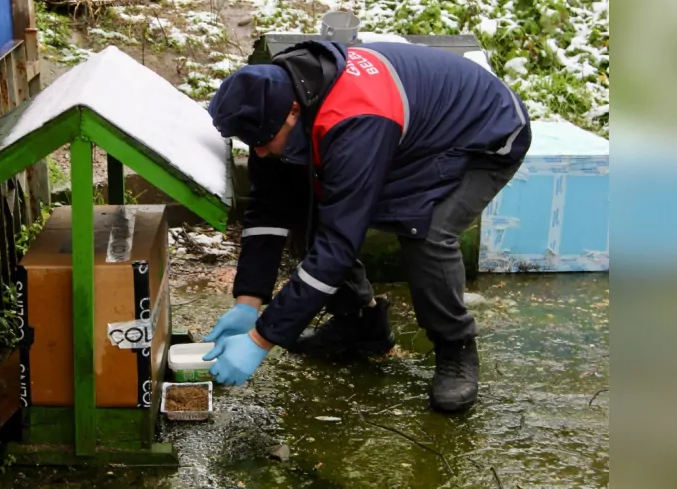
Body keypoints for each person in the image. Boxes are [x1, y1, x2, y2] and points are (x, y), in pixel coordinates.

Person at [201, 39, 532, 413]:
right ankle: (361, 323)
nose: (258, 152)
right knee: (310, 205)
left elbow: (339, 244)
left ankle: (455, 348)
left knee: (425, 231)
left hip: (482, 135)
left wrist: (262, 338)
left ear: (293, 111)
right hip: (411, 128)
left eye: (261, 142)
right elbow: (269, 208)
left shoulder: (354, 120)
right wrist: (249, 301)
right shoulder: (277, 97)